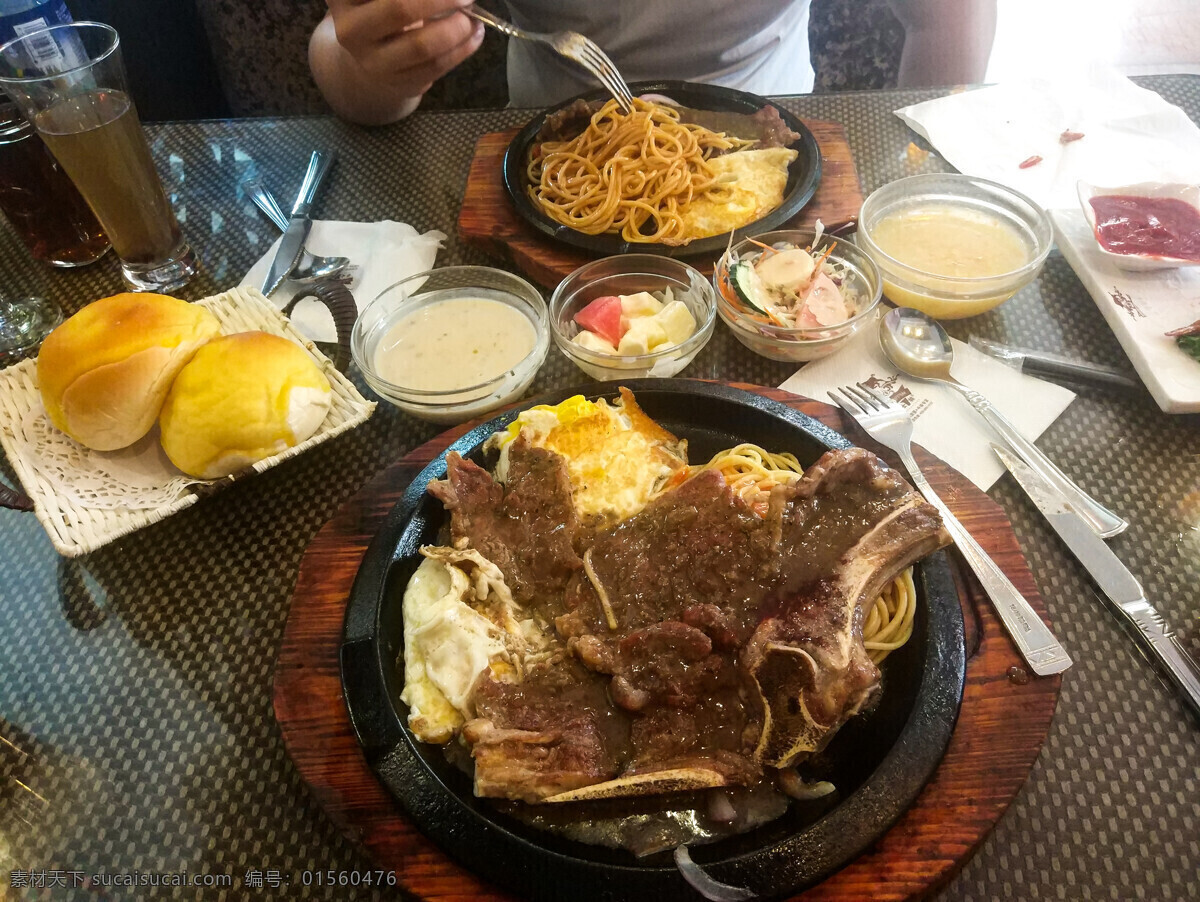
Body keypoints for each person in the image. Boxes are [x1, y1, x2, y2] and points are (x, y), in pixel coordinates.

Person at [309, 0, 997, 126]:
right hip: (546, 151)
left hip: (775, 142)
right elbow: (346, 69)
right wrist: (381, 66)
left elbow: (945, 15)